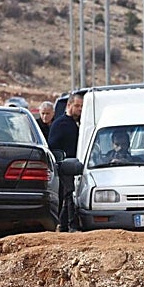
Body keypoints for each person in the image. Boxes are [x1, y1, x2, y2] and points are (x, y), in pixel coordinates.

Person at [48, 92, 84, 230]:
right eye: (77, 106)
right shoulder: (60, 124)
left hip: (75, 166)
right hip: (65, 167)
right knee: (68, 196)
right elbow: (53, 146)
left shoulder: (76, 124)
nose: (80, 109)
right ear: (69, 105)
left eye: (81, 106)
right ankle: (68, 225)